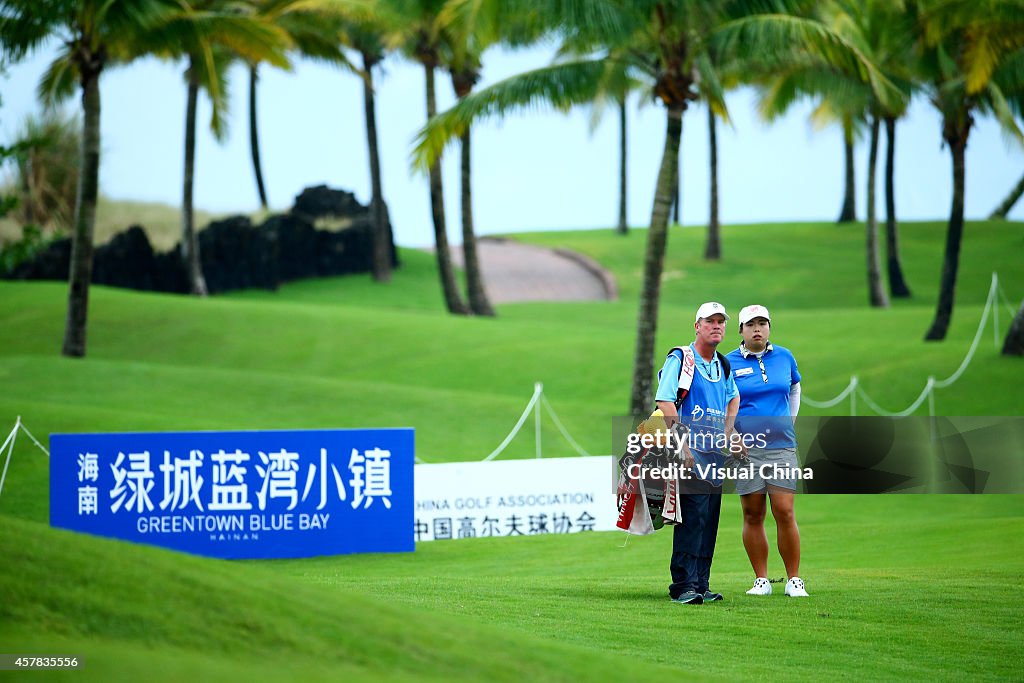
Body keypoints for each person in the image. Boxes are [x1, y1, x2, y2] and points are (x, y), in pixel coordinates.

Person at [655, 302, 740, 605]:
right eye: (710, 321)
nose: (717, 326)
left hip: (714, 456)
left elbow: (733, 398)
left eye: (721, 321)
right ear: (697, 326)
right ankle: (683, 585)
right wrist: (682, 444)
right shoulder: (681, 358)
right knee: (691, 519)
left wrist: (729, 434)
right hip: (689, 454)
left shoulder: (722, 364)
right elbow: (665, 402)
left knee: (708, 520)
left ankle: (701, 583)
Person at [725, 305, 809, 598]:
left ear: (769, 327)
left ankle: (794, 579)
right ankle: (761, 579)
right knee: (752, 513)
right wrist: (732, 436)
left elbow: (795, 388)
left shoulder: (784, 357)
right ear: (741, 331)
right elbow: (724, 404)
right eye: (751, 325)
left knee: (784, 511)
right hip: (745, 451)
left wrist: (790, 420)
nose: (757, 329)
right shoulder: (728, 363)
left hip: (781, 446)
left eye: (763, 323)